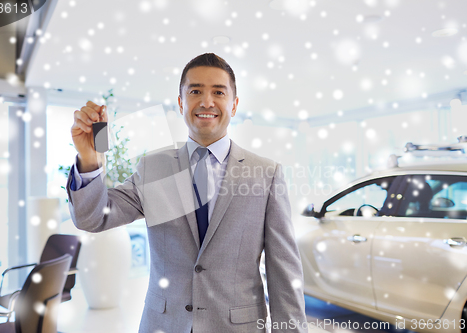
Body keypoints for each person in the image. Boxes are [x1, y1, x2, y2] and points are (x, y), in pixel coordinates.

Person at [67, 53, 308, 332]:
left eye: (218, 92)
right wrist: (88, 159)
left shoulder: (266, 173)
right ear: (181, 102)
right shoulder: (153, 168)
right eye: (195, 91)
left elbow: (284, 270)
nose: (207, 102)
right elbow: (92, 218)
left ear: (234, 104)